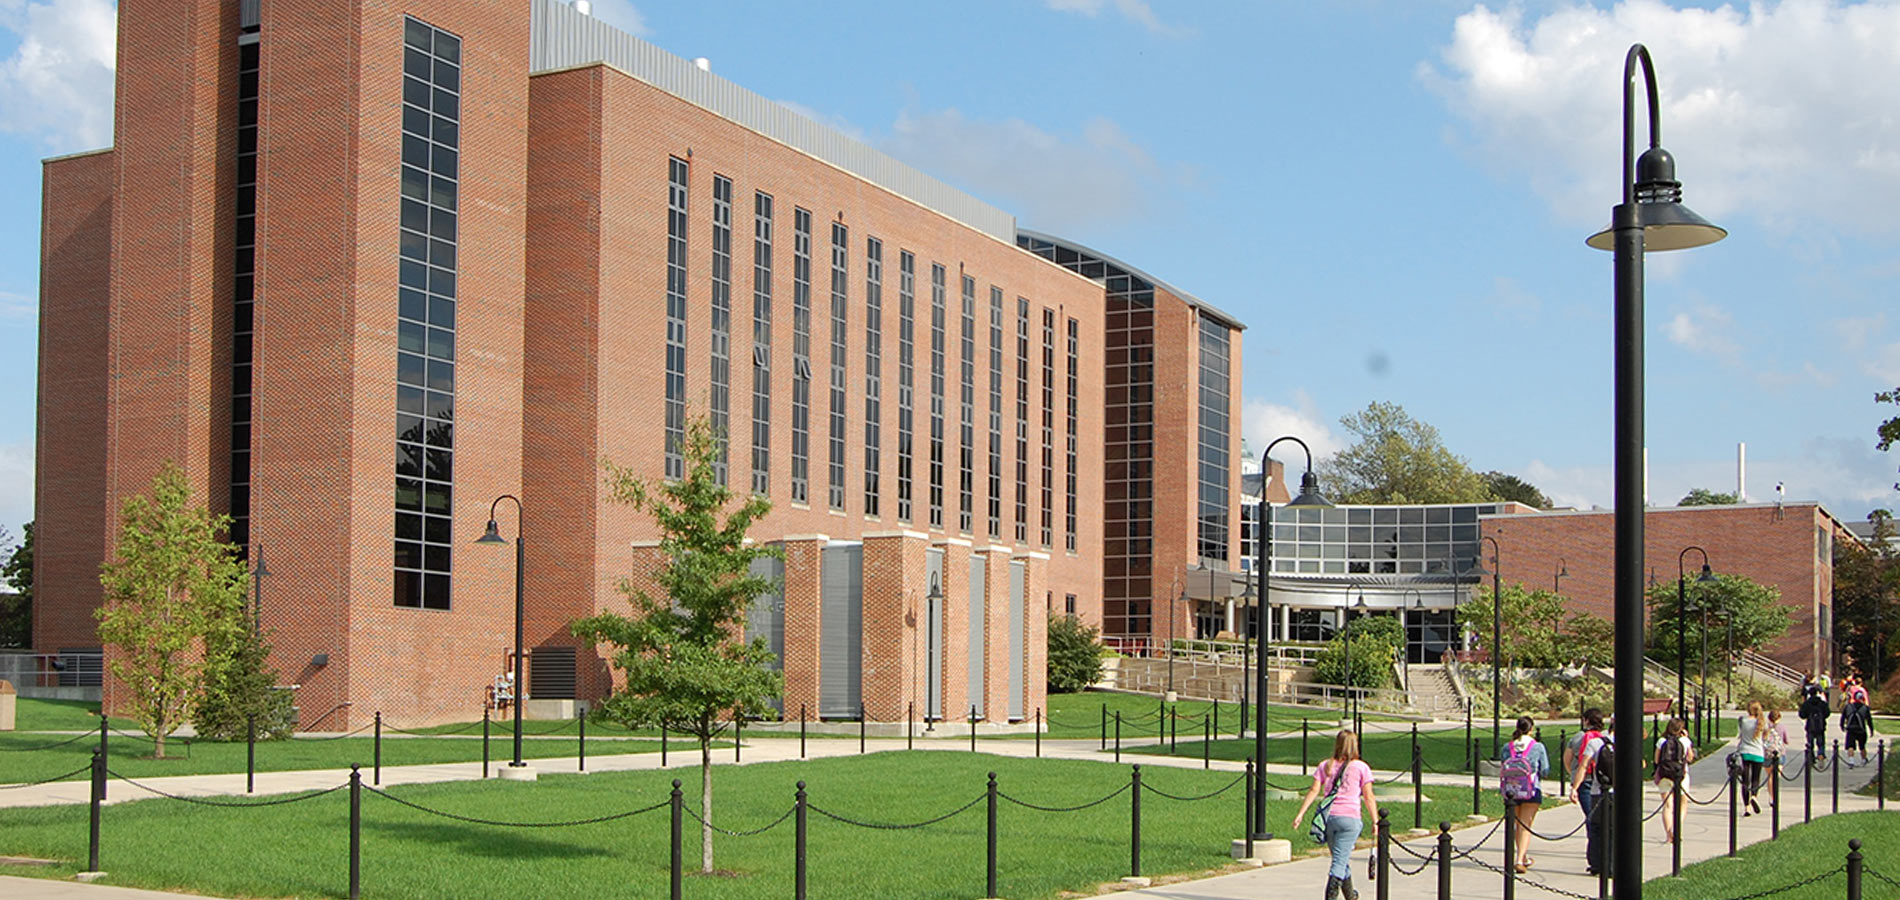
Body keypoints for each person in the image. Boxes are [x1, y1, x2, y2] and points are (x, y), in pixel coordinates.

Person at [1293, 730, 1379, 900]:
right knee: (1339, 862)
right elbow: (1368, 796)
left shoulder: (1326, 765)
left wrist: (1301, 813)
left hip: (1329, 818)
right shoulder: (1361, 767)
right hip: (1350, 819)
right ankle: (1331, 896)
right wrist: (1375, 820)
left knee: (1340, 857)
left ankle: (1350, 895)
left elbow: (1314, 790)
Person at [1498, 715, 1549, 873]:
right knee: (1526, 826)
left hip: (1511, 791)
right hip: (1531, 789)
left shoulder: (1507, 747)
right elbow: (1545, 770)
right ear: (1531, 729)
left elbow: (1503, 765)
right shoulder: (1537, 747)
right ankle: (1520, 860)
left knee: (1517, 824)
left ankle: (1523, 856)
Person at [1569, 708, 1609, 876]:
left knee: (1593, 822)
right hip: (1606, 783)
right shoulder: (1607, 739)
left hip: (1587, 783)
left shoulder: (1579, 738)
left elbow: (1574, 761)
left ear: (1586, 720)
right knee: (1607, 823)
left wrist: (1574, 783)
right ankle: (1607, 859)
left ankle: (1595, 860)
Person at [1652, 717, 1695, 842]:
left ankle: (1668, 835)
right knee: (1682, 803)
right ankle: (1676, 829)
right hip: (1680, 774)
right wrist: (1687, 738)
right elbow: (1690, 757)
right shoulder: (1684, 741)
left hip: (1664, 774)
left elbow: (1656, 759)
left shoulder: (1662, 741)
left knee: (1667, 805)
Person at [1737, 700, 1768, 815]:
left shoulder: (1743, 721)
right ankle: (1754, 796)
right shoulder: (1761, 722)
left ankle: (1747, 807)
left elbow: (1740, 733)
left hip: (1745, 751)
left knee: (1745, 780)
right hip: (1758, 752)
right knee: (1756, 778)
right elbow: (1765, 735)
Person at [1798, 682, 1831, 761]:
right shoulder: (1822, 703)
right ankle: (1821, 755)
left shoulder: (1806, 704)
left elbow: (1802, 715)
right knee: (1821, 743)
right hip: (1821, 726)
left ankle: (1811, 757)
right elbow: (1827, 713)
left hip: (1810, 726)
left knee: (1810, 743)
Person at [1842, 689, 1875, 764]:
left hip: (1851, 729)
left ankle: (1851, 760)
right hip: (1861, 729)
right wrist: (1871, 730)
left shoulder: (1848, 707)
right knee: (1862, 746)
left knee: (1850, 746)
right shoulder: (1865, 708)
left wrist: (1842, 726)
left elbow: (1843, 718)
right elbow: (1869, 720)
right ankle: (1863, 759)